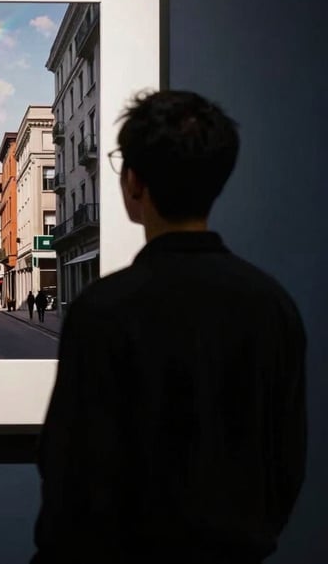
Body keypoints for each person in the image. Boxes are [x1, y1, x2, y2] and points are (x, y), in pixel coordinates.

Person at [31, 90, 306, 564]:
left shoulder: (102, 308)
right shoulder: (273, 303)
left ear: (134, 182)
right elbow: (287, 459)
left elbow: (71, 467)